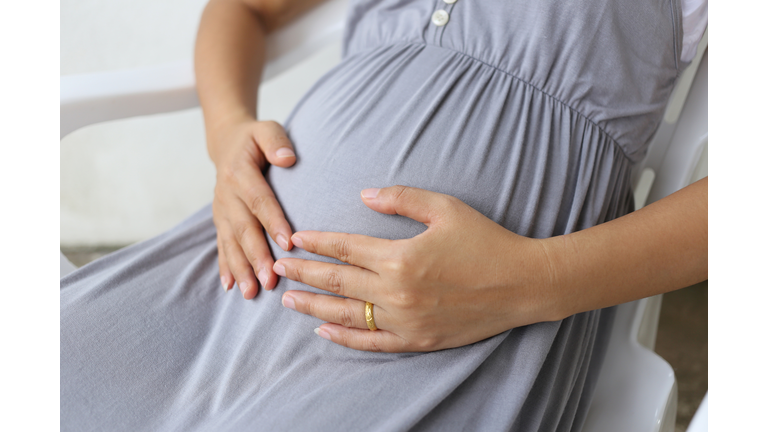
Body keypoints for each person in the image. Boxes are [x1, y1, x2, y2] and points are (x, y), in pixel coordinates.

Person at [60, 0, 707, 430]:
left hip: (447, 335)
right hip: (234, 274)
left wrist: (533, 279)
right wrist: (228, 134)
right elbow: (244, 10)